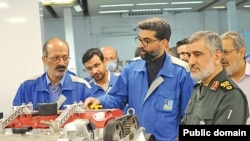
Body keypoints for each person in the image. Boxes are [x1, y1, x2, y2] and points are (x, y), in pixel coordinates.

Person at [84, 17, 194, 141]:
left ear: (163, 43)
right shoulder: (131, 69)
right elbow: (116, 98)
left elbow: (188, 117)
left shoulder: (181, 72)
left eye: (146, 41)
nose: (140, 45)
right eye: (140, 39)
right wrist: (99, 101)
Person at [181, 31, 249, 125]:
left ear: (217, 56)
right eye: (189, 55)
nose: (191, 62)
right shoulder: (199, 88)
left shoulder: (230, 95)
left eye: (197, 54)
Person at [13, 38, 91, 110]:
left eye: (65, 58)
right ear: (44, 60)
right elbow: (15, 120)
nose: (62, 63)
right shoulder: (27, 87)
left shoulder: (82, 87)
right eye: (55, 58)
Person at [220, 31, 250, 124]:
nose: (221, 57)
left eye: (225, 52)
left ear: (241, 52)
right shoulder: (217, 82)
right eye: (219, 53)